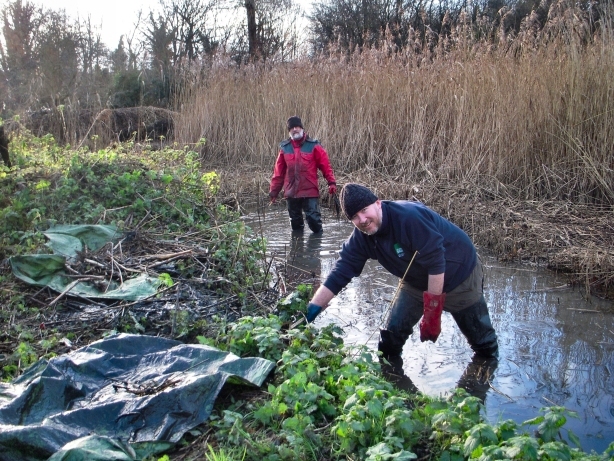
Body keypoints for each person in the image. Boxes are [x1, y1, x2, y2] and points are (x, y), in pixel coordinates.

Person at [304, 183, 499, 361]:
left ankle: (482, 385)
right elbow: (341, 271)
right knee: (389, 342)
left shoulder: (408, 217)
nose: (362, 219)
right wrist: (313, 308)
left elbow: (436, 262)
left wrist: (432, 312)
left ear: (378, 203)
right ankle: (394, 383)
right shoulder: (362, 237)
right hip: (415, 280)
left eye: (365, 210)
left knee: (483, 346)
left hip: (459, 275)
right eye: (355, 216)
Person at [269, 116, 337, 233]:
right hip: (291, 192)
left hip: (309, 190)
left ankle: (316, 247)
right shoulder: (284, 148)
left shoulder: (314, 145)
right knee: (295, 224)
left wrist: (331, 182)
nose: (295, 129)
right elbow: (278, 173)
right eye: (292, 128)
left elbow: (326, 166)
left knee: (314, 220)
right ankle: (297, 249)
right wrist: (273, 192)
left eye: (297, 127)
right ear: (289, 131)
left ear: (301, 128)